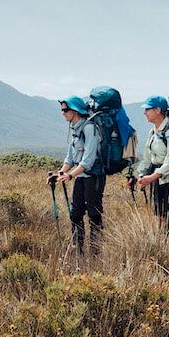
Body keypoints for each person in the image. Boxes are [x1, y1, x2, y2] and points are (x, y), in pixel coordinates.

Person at [132, 95, 169, 241]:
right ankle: (164, 249)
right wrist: (139, 175)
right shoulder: (153, 132)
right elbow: (147, 157)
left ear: (158, 110)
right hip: (158, 181)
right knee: (161, 219)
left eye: (147, 109)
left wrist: (151, 177)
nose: (145, 112)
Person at [54, 96, 105, 256]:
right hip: (80, 178)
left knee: (94, 214)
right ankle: (78, 249)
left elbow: (88, 160)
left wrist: (69, 176)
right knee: (76, 214)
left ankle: (95, 250)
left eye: (65, 110)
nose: (62, 113)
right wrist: (60, 173)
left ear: (75, 111)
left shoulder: (90, 128)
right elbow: (69, 158)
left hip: (93, 177)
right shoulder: (75, 129)